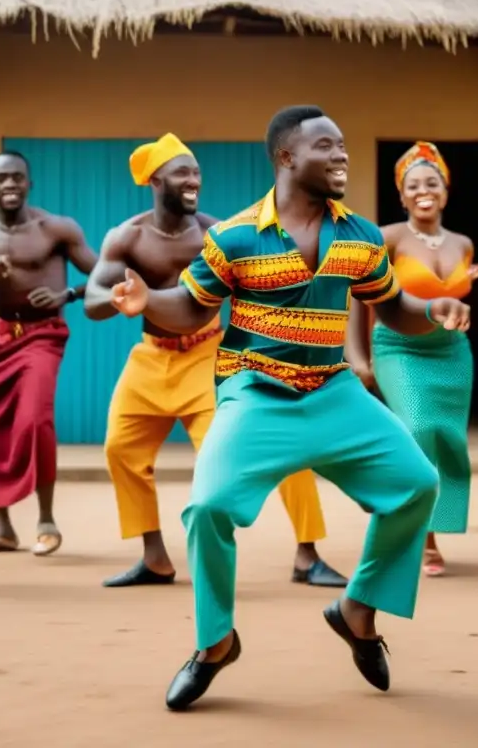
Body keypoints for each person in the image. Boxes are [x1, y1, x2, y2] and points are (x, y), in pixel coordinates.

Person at [108, 106, 470, 711]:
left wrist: (431, 312)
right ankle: (214, 643)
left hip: (333, 392)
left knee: (416, 484)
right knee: (208, 506)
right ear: (286, 158)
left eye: (344, 145)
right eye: (326, 146)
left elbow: (392, 305)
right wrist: (148, 300)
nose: (342, 155)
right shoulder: (236, 236)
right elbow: (193, 307)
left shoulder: (359, 235)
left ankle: (357, 610)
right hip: (256, 393)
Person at [85, 132, 346, 589]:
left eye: (197, 173)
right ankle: (155, 558)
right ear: (155, 181)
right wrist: (119, 296)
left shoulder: (217, 233)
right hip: (150, 359)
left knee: (275, 446)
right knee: (121, 450)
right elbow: (92, 300)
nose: (194, 181)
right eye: (182, 172)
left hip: (212, 356)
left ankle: (308, 555)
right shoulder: (126, 237)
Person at [346, 141, 478, 577]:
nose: (423, 190)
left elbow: (451, 299)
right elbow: (359, 297)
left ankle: (426, 527)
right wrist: (357, 356)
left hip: (451, 354)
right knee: (418, 429)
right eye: (413, 185)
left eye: (432, 182)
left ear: (445, 191)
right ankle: (420, 539)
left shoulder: (463, 244)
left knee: (447, 440)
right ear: (402, 196)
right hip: (399, 349)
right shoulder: (386, 237)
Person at [0, 151, 98, 557]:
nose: (9, 184)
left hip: (44, 335)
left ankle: (46, 519)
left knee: (36, 420)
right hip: (0, 338)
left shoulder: (55, 228)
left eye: (17, 177)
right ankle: (3, 529)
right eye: (1, 178)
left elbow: (107, 272)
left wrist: (66, 294)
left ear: (29, 183)